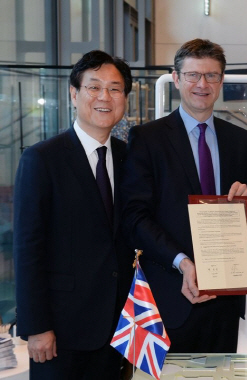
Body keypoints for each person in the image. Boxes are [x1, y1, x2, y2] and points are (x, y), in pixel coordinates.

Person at [121, 38, 247, 353]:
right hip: (170, 297)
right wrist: (184, 263)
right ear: (176, 78)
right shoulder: (147, 139)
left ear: (222, 80)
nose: (202, 84)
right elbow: (135, 217)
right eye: (192, 75)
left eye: (211, 75)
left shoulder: (239, 140)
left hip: (225, 299)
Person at [13, 50, 134, 379]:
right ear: (73, 93)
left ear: (125, 98)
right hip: (61, 332)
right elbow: (27, 248)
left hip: (118, 330)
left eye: (115, 88)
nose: (104, 97)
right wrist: (37, 327)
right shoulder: (42, 159)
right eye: (94, 87)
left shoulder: (130, 158)